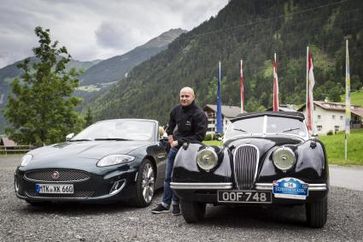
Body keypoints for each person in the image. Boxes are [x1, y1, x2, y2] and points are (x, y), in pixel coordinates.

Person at [151, 86, 208, 215]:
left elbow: (199, 137)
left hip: (190, 150)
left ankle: (177, 205)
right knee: (168, 178)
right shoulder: (175, 110)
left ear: (193, 97)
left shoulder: (199, 114)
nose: (184, 98)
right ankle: (165, 204)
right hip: (175, 149)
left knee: (179, 178)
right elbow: (169, 128)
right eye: (182, 96)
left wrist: (179, 142)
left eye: (187, 96)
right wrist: (171, 140)